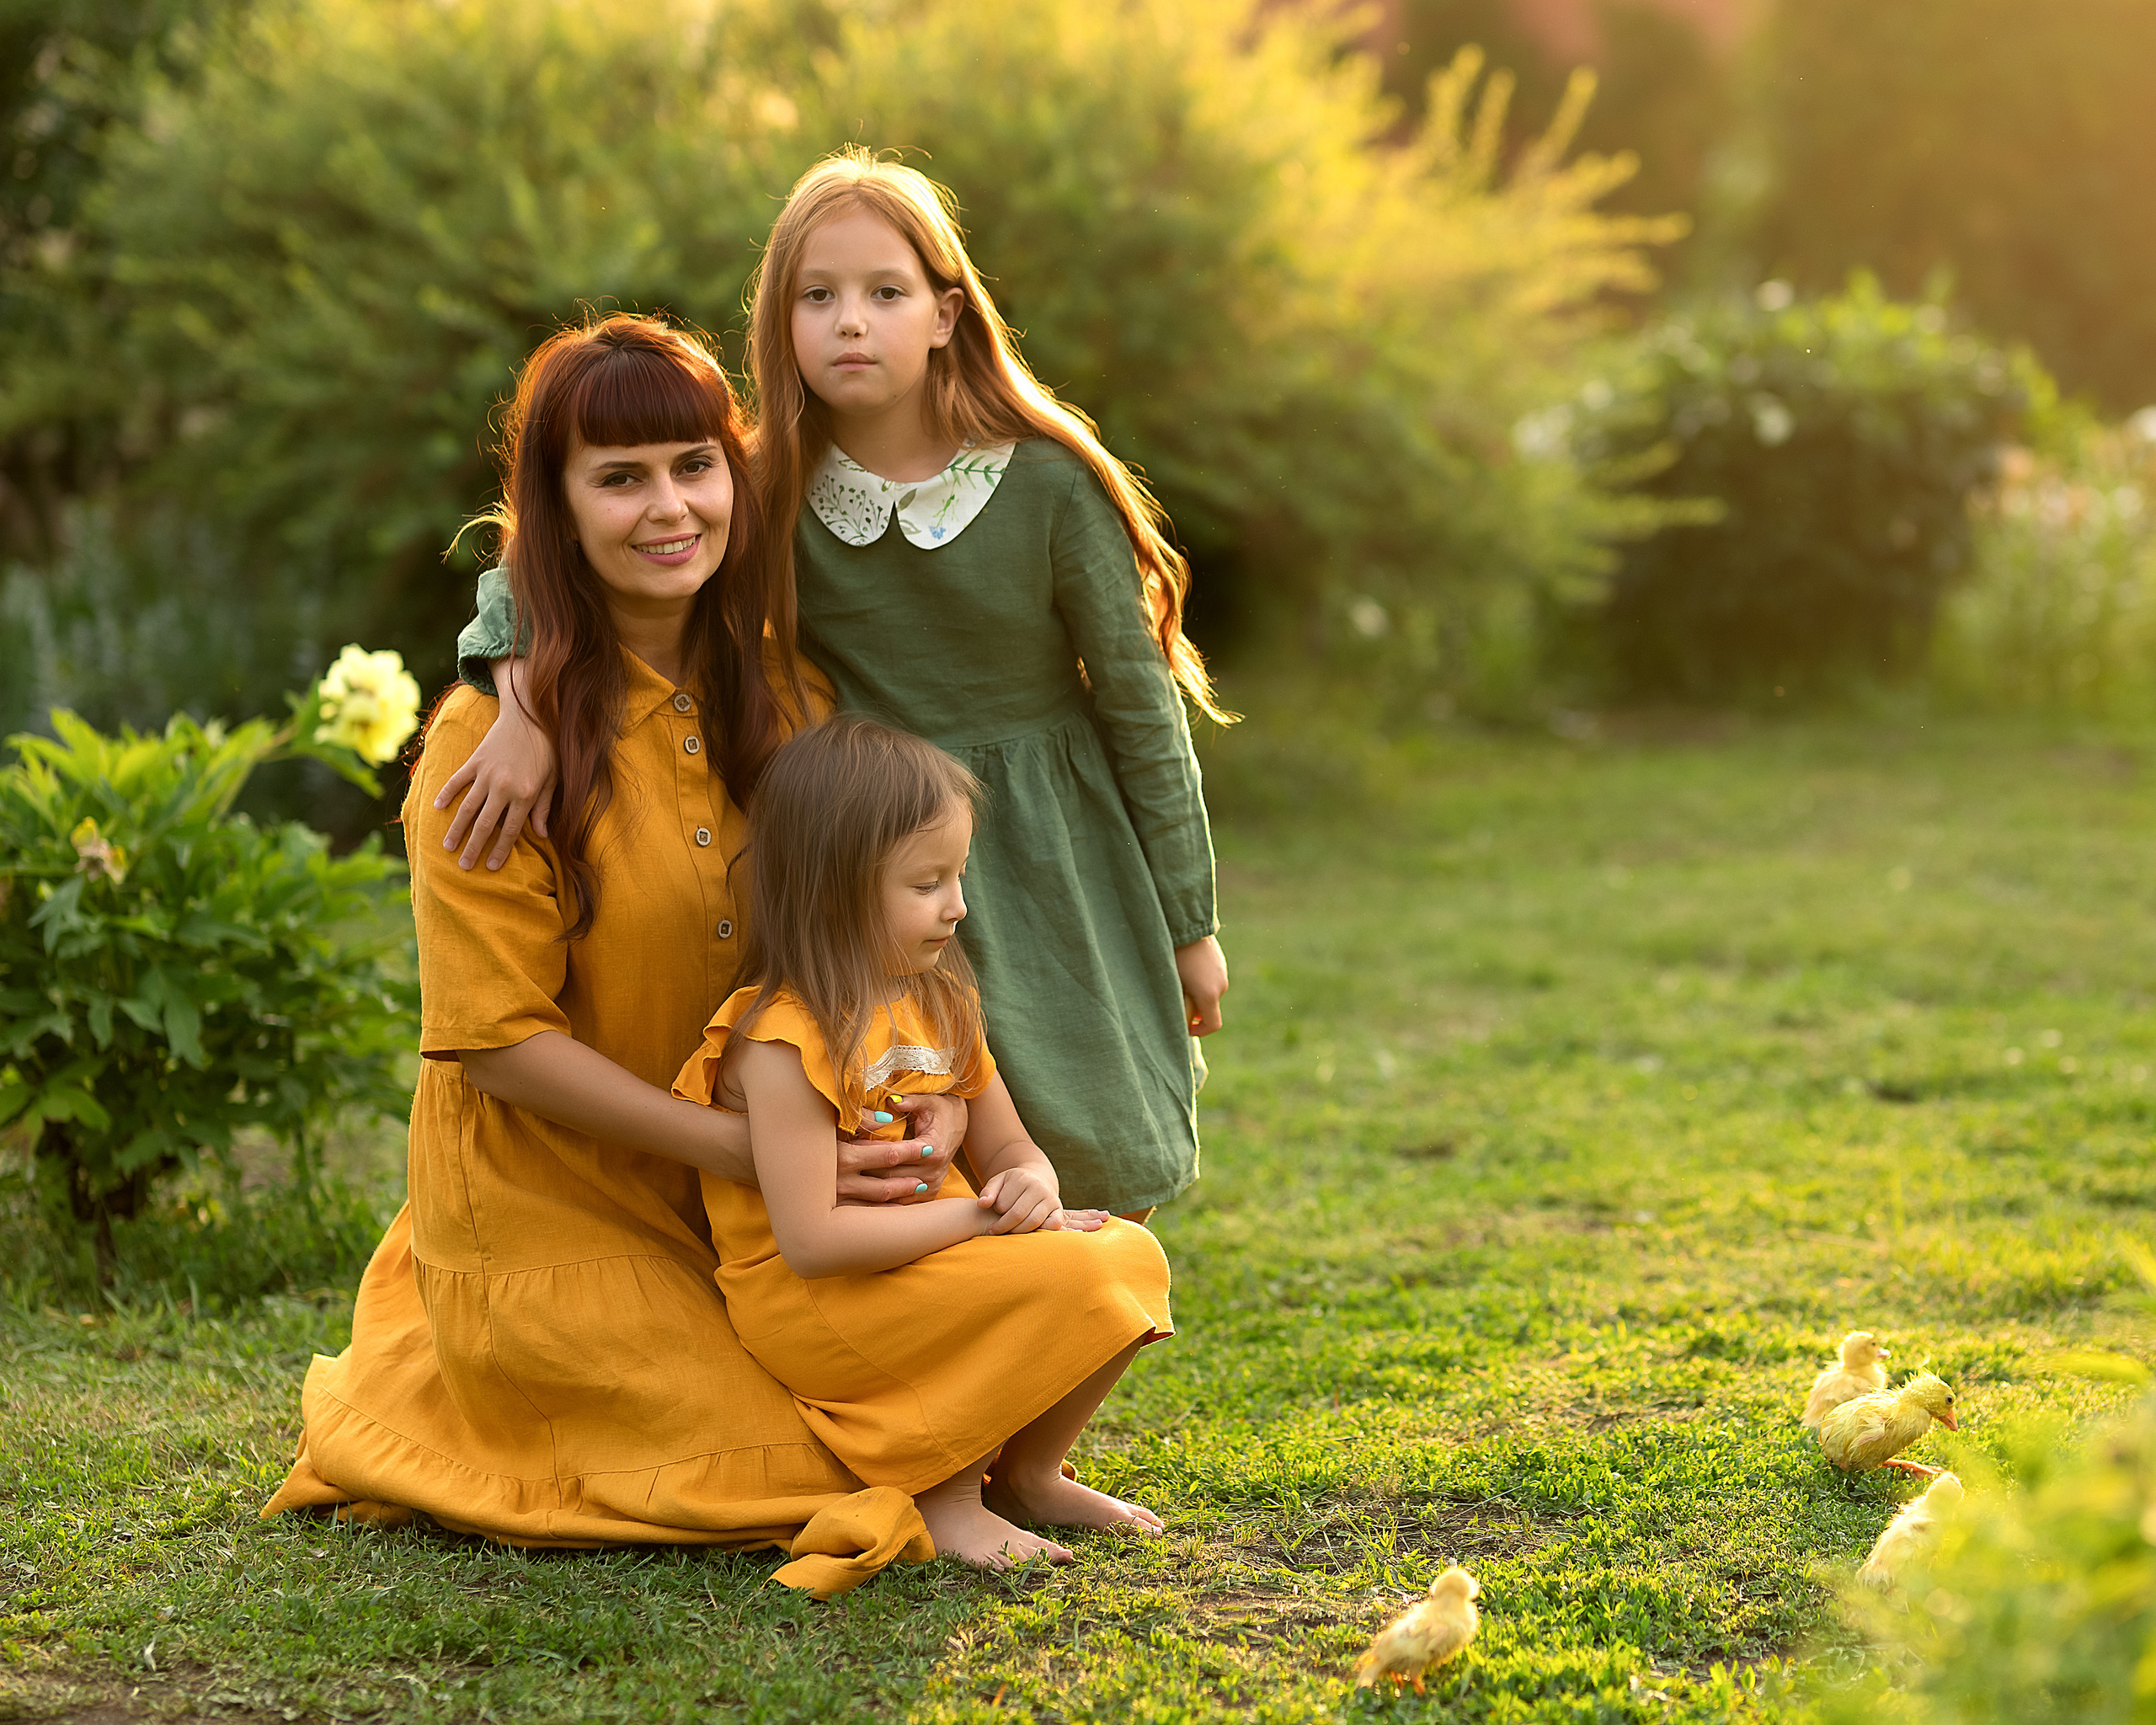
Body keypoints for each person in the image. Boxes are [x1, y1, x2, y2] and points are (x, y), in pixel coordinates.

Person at [263, 314, 978, 1597]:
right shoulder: (490, 748)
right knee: (784, 1475)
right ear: (557, 508)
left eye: (693, 466)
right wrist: (741, 1148)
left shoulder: (790, 698)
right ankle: (430, 1395)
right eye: (620, 476)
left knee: (960, 1361)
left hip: (759, 1204)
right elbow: (497, 1045)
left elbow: (859, 952)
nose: (669, 507)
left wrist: (925, 1124)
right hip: (561, 1203)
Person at [441, 147, 1230, 1220]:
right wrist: (522, 702)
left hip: (1055, 849)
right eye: (818, 296)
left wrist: (1190, 921)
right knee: (916, 1117)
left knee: (1082, 1114)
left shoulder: (1049, 478)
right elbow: (540, 564)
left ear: (947, 314)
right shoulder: (762, 483)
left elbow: (1142, 707)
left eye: (884, 293)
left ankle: (1089, 1308)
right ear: (780, 323)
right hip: (865, 838)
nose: (850, 321)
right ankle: (966, 1352)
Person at [673, 713, 1172, 1568]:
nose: (958, 905)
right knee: (1071, 1268)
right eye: (926, 882)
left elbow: (1016, 1147)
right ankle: (944, 1501)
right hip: (821, 1302)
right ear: (834, 888)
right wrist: (984, 1222)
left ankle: (1028, 1473)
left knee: (1127, 1255)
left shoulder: (939, 1003)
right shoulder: (784, 1041)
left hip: (925, 1258)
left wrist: (1030, 1187)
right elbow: (813, 1241)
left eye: (959, 874)